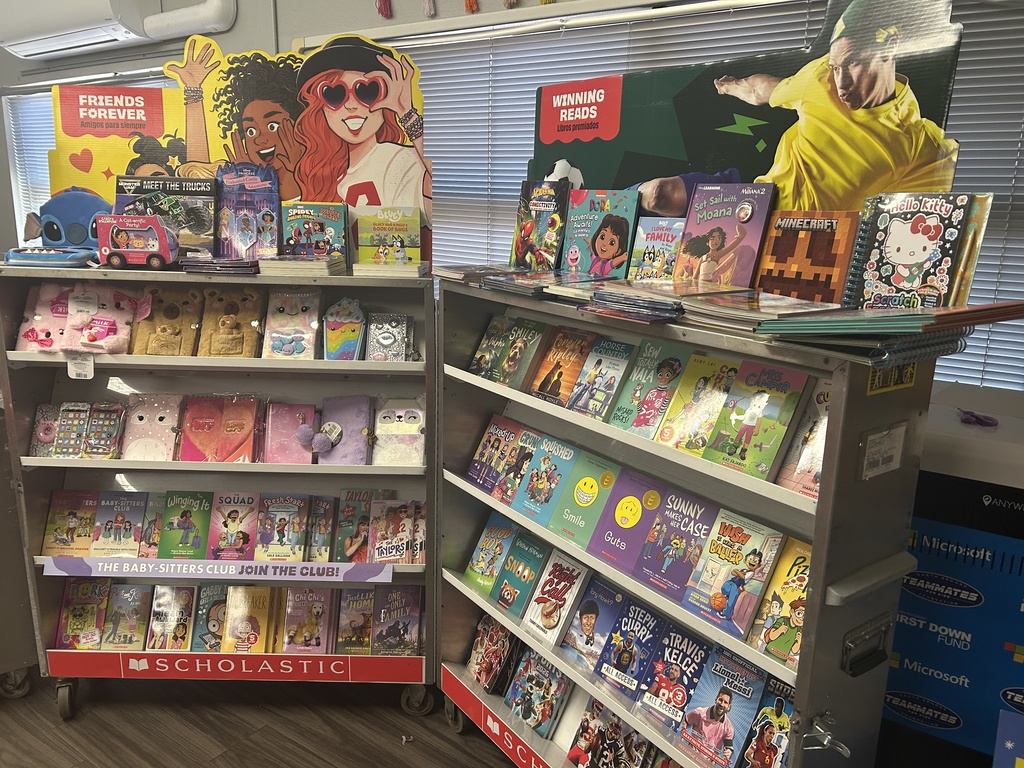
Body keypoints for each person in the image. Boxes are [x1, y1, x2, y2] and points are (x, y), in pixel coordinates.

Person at [635, 0, 958, 215]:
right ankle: (599, 205)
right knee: (657, 194)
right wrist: (733, 87)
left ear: (890, 46)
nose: (841, 83)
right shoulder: (820, 80)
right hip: (755, 202)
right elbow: (765, 89)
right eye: (836, 66)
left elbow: (897, 227)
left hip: (808, 243)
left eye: (854, 64)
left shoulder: (926, 147)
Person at [294, 36, 432, 220]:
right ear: (321, 107)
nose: (351, 105)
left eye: (366, 91)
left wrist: (406, 112)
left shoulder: (401, 159)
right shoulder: (319, 172)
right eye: (335, 94)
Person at [166, 38, 306, 198]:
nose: (260, 140)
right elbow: (197, 171)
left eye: (272, 126)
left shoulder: (323, 173)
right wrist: (193, 91)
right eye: (251, 131)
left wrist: (296, 173)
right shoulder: (239, 173)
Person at [684, 686, 736, 763]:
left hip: (706, 764)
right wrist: (681, 737)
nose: (722, 704)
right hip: (688, 757)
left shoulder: (729, 728)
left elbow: (728, 747)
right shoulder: (699, 713)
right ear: (716, 699)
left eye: (725, 702)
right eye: (720, 700)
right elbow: (685, 722)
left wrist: (728, 753)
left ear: (729, 707)